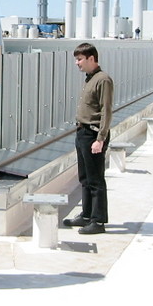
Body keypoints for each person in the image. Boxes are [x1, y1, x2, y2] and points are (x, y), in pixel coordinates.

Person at [63, 43, 114, 234]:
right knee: (84, 178)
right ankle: (86, 215)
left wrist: (100, 139)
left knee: (95, 179)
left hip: (93, 134)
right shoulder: (89, 79)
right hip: (82, 132)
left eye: (79, 59)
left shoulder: (103, 80)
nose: (77, 63)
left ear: (91, 58)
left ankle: (98, 221)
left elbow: (106, 111)